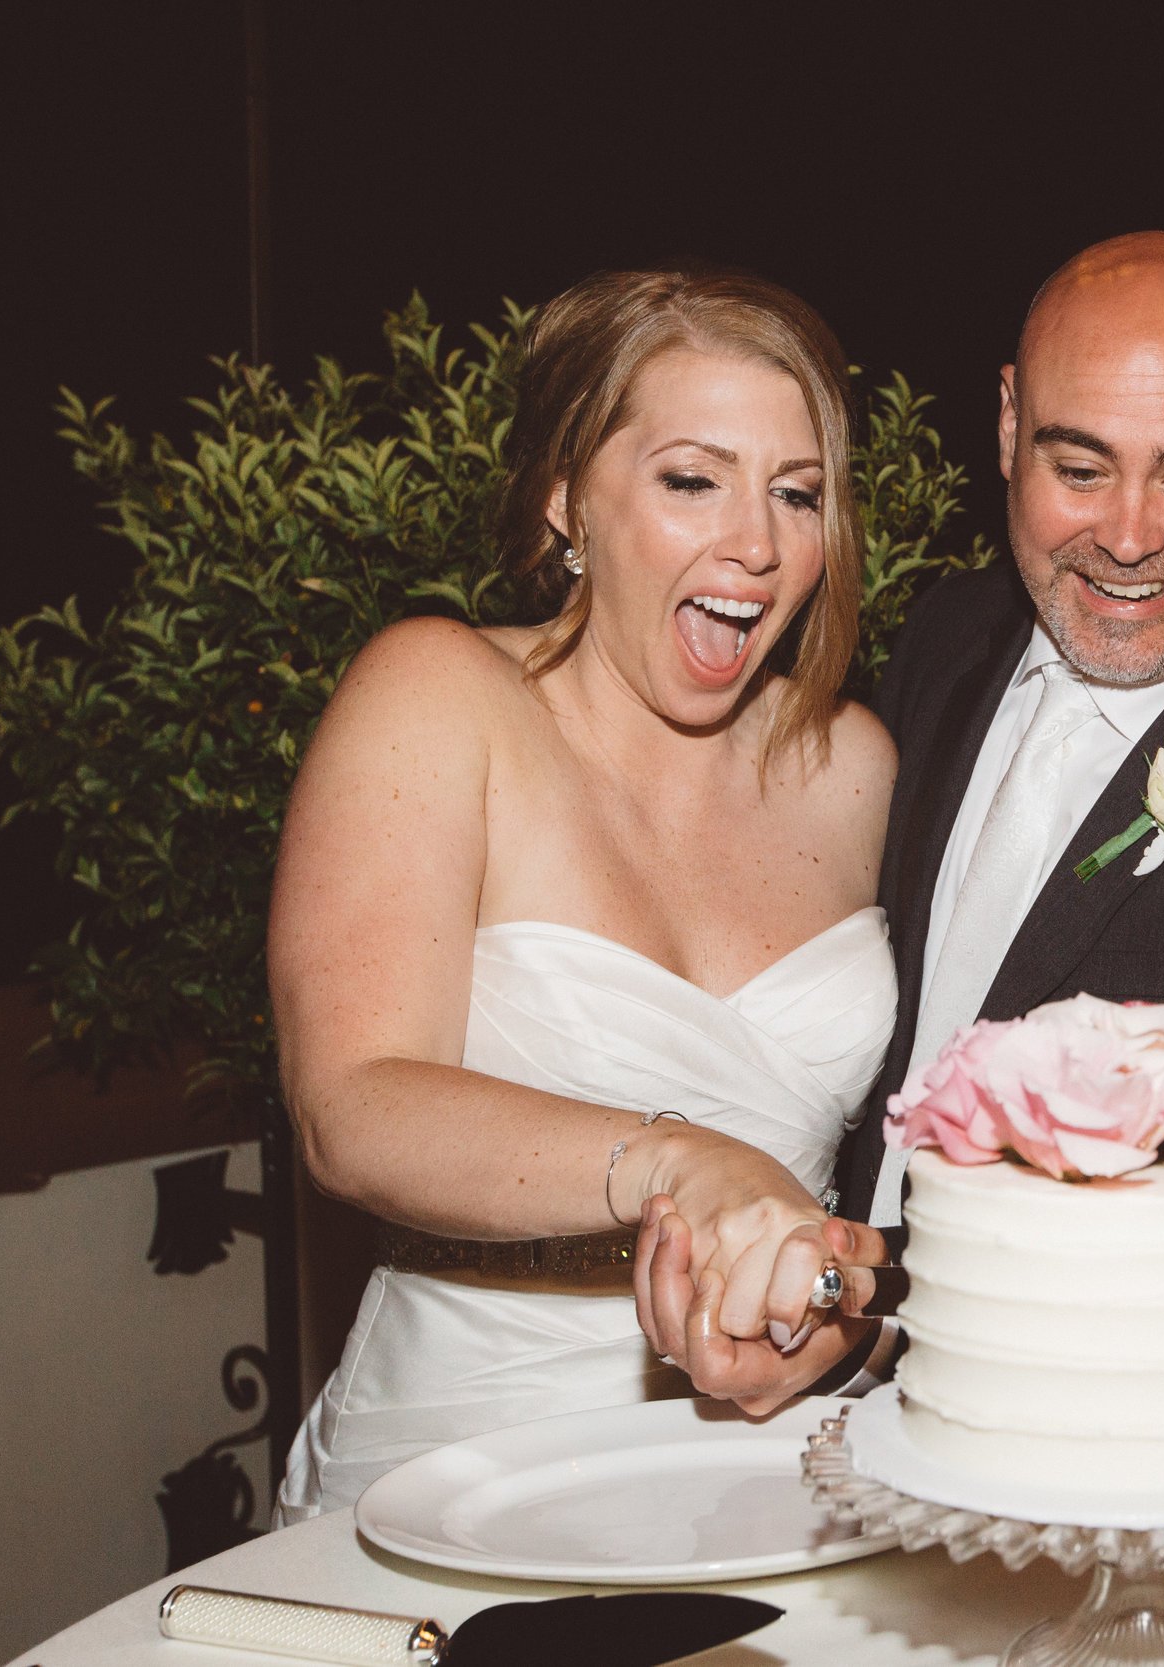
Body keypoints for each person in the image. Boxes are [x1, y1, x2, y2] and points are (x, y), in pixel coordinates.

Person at [638, 231, 1164, 1396]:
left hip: (1116, 1440)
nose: (1131, 535)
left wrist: (849, 1299)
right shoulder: (946, 643)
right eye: (1080, 468)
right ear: (1005, 426)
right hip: (803, 1400)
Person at [268, 268, 896, 1518]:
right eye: (690, 479)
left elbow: (878, 1180)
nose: (758, 545)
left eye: (796, 492)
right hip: (461, 1456)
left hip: (774, 1461)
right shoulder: (439, 694)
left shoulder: (852, 766)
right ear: (566, 496)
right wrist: (686, 1162)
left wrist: (834, 1314)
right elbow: (351, 1104)